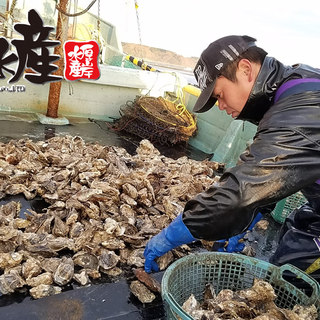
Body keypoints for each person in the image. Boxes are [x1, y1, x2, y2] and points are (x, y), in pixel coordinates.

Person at [143, 35, 320, 279]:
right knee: (295, 238)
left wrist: (170, 236)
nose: (221, 106)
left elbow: (241, 191)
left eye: (219, 95)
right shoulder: (293, 89)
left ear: (246, 69)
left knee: (294, 277)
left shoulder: (301, 110)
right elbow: (278, 173)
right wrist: (245, 218)